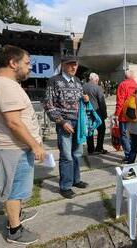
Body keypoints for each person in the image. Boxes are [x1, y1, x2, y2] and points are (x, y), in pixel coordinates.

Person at [0, 45, 45, 244]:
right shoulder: (5, 85)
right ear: (13, 63)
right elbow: (13, 122)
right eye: (27, 63)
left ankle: (17, 214)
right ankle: (15, 230)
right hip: (13, 149)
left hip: (15, 148)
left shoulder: (2, 82)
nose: (30, 68)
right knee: (14, 190)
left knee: (17, 189)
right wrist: (35, 146)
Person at [43, 55, 89, 199]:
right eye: (70, 64)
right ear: (63, 65)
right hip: (65, 123)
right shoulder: (54, 81)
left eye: (75, 64)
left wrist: (85, 100)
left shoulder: (77, 81)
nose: (74, 67)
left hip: (78, 123)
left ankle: (76, 180)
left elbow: (80, 102)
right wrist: (62, 122)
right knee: (66, 156)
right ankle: (65, 186)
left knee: (77, 153)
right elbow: (48, 104)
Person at [114, 70, 137, 162]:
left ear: (125, 76)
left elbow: (120, 101)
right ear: (132, 76)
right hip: (134, 114)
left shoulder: (122, 85)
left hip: (124, 115)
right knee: (132, 135)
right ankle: (132, 154)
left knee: (124, 135)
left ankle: (129, 156)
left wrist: (117, 114)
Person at [82, 73, 108, 154]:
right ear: (96, 80)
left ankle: (90, 149)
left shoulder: (83, 87)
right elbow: (101, 102)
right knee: (101, 129)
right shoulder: (98, 88)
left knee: (90, 130)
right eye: (98, 80)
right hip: (97, 113)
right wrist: (104, 114)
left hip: (86, 112)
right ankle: (99, 148)